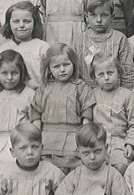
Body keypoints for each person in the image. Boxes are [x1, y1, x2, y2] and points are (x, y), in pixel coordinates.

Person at [31, 44, 96, 174]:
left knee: (74, 173)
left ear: (74, 64)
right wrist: (36, 135)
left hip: (73, 140)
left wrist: (83, 136)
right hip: (48, 141)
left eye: (66, 65)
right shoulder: (44, 88)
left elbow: (87, 112)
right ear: (49, 68)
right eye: (56, 66)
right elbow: (36, 112)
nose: (62, 70)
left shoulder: (81, 87)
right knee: (49, 172)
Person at [0, 50, 35, 186]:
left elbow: (33, 121)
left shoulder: (29, 94)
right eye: (4, 73)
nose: (9, 78)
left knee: (15, 165)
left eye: (14, 73)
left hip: (20, 140)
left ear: (21, 73)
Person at [90, 52, 134, 174]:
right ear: (94, 77)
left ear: (118, 72)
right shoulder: (92, 95)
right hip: (97, 144)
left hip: (119, 142)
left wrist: (130, 144)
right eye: (101, 75)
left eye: (110, 73)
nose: (106, 78)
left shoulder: (128, 95)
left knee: (121, 165)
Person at [73, 0, 134, 89]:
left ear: (112, 17)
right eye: (93, 15)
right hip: (87, 94)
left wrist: (124, 94)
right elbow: (75, 73)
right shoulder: (79, 41)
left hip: (114, 94)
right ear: (86, 16)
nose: (98, 20)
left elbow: (127, 71)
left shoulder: (119, 39)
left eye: (104, 15)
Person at [0, 1, 49, 90]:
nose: (21, 25)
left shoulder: (43, 48)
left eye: (27, 21)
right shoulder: (3, 49)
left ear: (35, 23)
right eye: (16, 21)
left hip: (38, 96)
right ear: (9, 23)